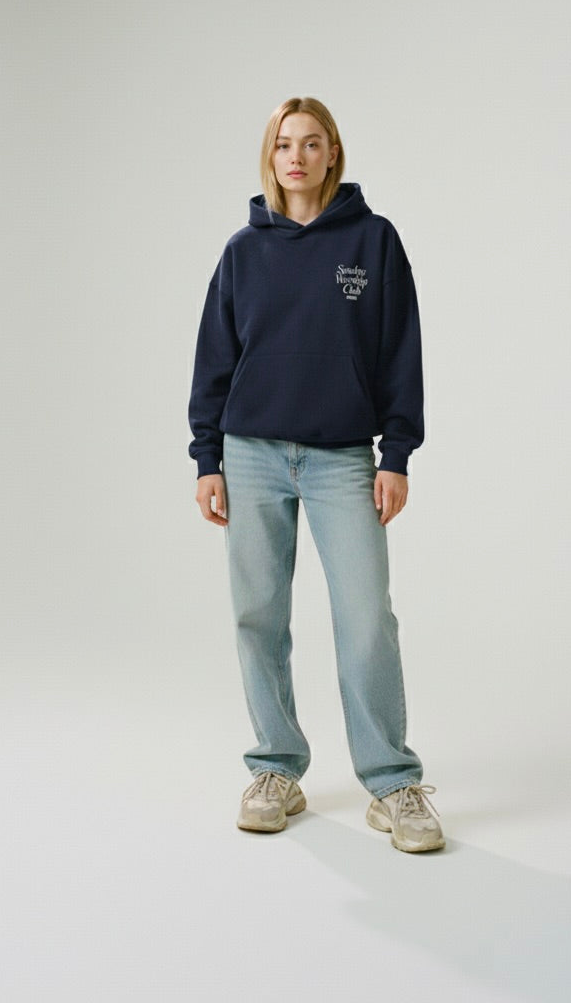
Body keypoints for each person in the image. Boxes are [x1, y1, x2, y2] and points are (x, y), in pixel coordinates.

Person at [188, 97, 443, 853]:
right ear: (270, 157)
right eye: (282, 144)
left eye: (310, 143)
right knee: (258, 616)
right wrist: (208, 458)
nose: (295, 157)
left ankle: (392, 782)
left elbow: (400, 351)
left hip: (341, 460)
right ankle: (276, 768)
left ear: (333, 153)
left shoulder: (373, 241)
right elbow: (214, 358)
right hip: (252, 455)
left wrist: (396, 454)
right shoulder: (243, 252)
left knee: (366, 619)